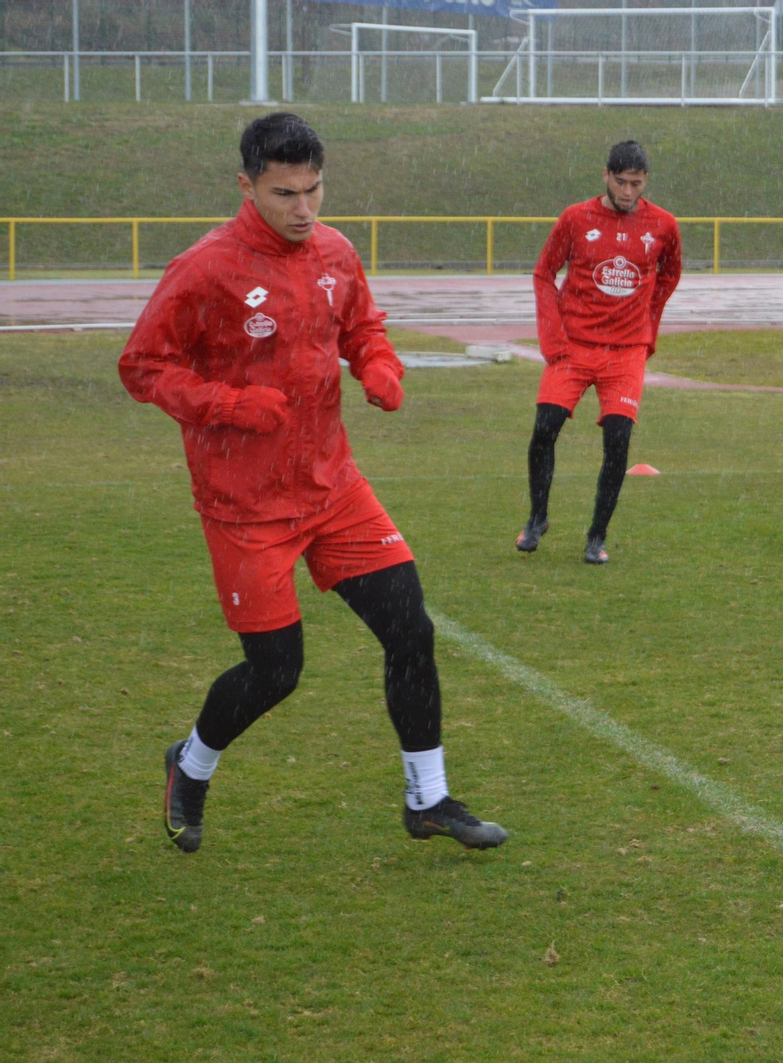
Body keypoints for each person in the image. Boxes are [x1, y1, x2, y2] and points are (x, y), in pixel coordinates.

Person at [121, 113, 508, 853]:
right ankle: (191, 762)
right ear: (247, 185)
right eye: (285, 193)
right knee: (276, 671)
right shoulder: (205, 268)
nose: (304, 209)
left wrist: (380, 365)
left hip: (333, 486)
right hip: (245, 504)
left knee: (410, 629)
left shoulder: (334, 251)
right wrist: (231, 404)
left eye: (315, 190)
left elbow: (361, 326)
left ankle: (428, 800)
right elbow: (142, 367)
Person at [521, 140, 682, 564]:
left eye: (637, 184)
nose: (628, 192)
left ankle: (597, 536)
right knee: (544, 429)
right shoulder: (576, 219)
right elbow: (543, 273)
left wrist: (646, 327)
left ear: (645, 181)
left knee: (618, 438)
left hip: (625, 352)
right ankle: (538, 517)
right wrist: (553, 339)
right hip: (572, 348)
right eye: (622, 182)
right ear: (605, 176)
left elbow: (669, 278)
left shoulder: (663, 225)